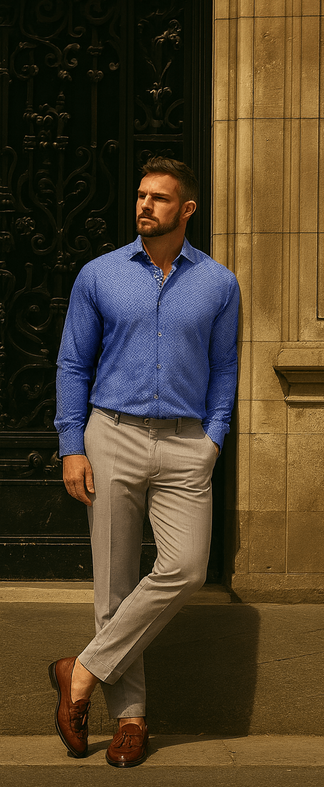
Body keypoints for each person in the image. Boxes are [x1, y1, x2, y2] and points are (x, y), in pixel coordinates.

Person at [49, 157, 239, 767]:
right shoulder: (99, 275)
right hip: (113, 435)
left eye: (159, 198)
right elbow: (73, 364)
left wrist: (213, 439)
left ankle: (79, 671)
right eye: (140, 195)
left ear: (186, 210)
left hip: (187, 444)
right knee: (114, 583)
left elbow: (225, 369)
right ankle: (129, 720)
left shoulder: (218, 283)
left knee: (185, 568)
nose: (144, 205)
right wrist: (72, 444)